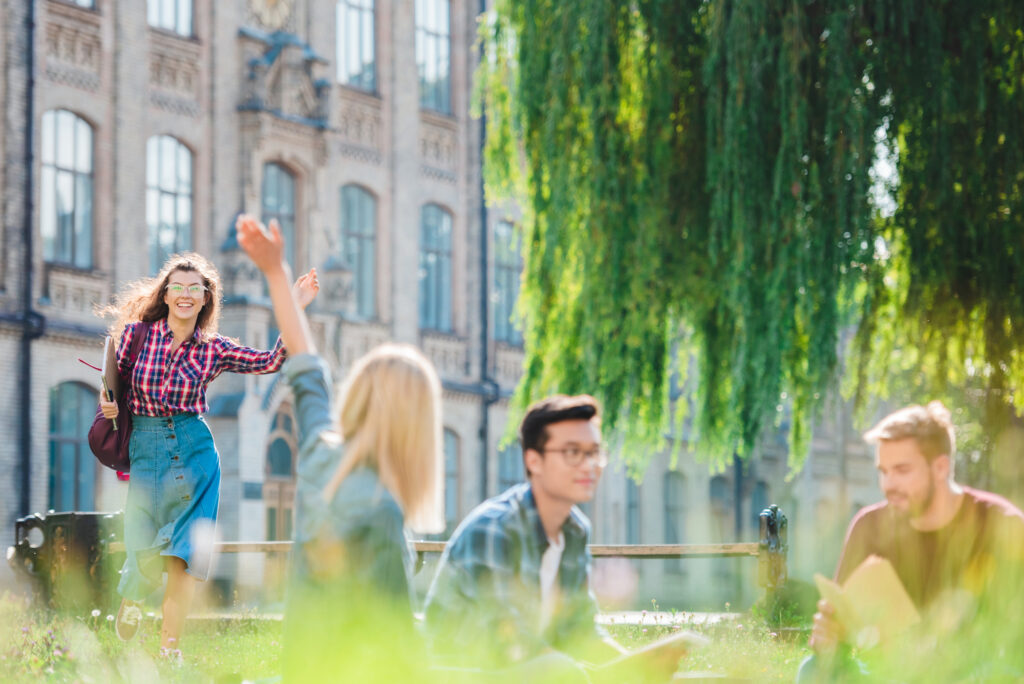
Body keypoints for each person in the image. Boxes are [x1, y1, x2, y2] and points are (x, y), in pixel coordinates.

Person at [236, 214, 446, 682]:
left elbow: (308, 368)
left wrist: (277, 275)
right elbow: (398, 649)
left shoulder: (318, 454)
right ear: (418, 427)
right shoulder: (381, 511)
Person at [98, 251, 319, 661]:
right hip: (146, 450)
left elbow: (270, 361)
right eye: (177, 288)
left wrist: (294, 306)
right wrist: (107, 403)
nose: (184, 295)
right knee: (141, 539)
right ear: (165, 295)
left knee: (184, 554)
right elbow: (112, 383)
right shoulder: (135, 335)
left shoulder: (213, 348)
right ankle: (132, 594)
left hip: (195, 452)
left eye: (193, 289)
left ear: (205, 299)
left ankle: (170, 649)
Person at [423, 394, 692, 682]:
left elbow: (581, 630)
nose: (589, 465)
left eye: (595, 452)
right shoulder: (493, 529)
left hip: (528, 672)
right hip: (462, 673)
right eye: (573, 452)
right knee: (563, 672)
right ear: (533, 460)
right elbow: (507, 642)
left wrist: (632, 664)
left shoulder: (575, 531)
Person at [800, 401, 1024, 682]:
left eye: (902, 470)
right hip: (888, 673)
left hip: (971, 674)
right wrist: (829, 638)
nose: (888, 485)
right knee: (813, 671)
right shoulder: (868, 526)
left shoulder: (1002, 525)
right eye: (883, 471)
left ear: (940, 467)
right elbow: (842, 633)